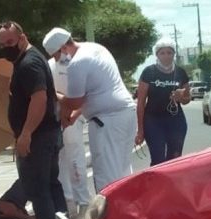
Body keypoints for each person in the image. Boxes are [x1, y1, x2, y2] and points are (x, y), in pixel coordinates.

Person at [45, 28, 137, 192]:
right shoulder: (95, 48)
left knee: (106, 175)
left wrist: (54, 94)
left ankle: (110, 216)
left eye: (56, 56)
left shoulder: (77, 63)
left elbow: (74, 102)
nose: (57, 61)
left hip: (107, 120)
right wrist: (74, 115)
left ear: (63, 48)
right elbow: (91, 95)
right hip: (125, 113)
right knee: (123, 170)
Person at [0, 21, 66, 219]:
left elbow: (39, 98)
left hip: (38, 137)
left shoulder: (29, 64)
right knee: (51, 185)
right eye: (1, 44)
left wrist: (26, 134)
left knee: (38, 189)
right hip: (47, 134)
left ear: (22, 38)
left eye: (10, 42)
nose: (6, 47)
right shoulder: (30, 59)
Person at [42, 29, 90, 219]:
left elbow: (86, 94)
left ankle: (84, 203)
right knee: (61, 161)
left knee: (76, 159)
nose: (56, 57)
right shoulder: (50, 66)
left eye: (56, 53)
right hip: (57, 119)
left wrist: (73, 115)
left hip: (74, 118)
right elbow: (50, 92)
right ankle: (68, 206)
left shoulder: (82, 60)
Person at [135, 38, 191, 166]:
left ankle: (172, 185)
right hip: (153, 121)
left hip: (176, 121)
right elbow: (141, 103)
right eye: (162, 53)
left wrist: (181, 96)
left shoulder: (180, 72)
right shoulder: (149, 72)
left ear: (174, 54)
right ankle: (157, 185)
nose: (166, 56)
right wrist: (140, 130)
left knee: (175, 159)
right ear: (157, 55)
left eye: (169, 52)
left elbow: (187, 99)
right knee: (158, 158)